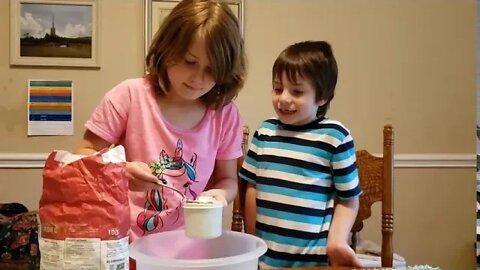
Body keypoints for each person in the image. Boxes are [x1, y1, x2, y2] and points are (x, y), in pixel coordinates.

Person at [75, 0, 246, 243]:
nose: (198, 78)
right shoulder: (129, 96)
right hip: (124, 244)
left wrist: (220, 195)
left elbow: (227, 179)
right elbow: (82, 155)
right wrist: (120, 171)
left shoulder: (225, 114)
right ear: (167, 49)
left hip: (191, 246)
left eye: (213, 69)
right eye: (190, 61)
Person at [239, 41, 363, 269]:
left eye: (297, 91)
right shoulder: (264, 132)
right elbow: (251, 189)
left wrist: (337, 241)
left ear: (323, 97)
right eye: (277, 88)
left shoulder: (335, 136)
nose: (283, 98)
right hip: (265, 260)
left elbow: (349, 199)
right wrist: (252, 244)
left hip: (313, 262)